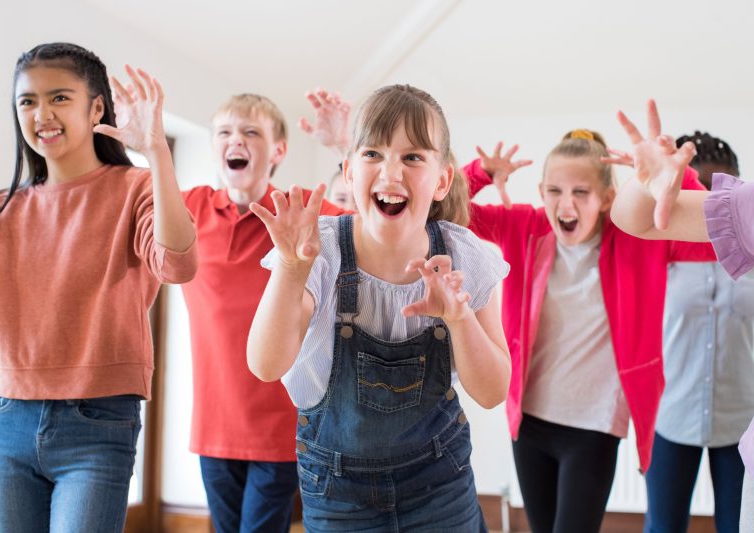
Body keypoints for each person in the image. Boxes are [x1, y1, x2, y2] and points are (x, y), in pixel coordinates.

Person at [0, 42, 197, 533]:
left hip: (99, 419)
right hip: (8, 421)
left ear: (97, 107)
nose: (41, 113)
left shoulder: (137, 188)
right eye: (27, 101)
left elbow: (177, 264)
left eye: (59, 97)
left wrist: (157, 155)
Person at [247, 84, 511, 532]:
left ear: (443, 179)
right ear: (349, 172)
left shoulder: (468, 257)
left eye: (412, 157)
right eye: (373, 154)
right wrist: (292, 267)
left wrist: (459, 316)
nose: (391, 172)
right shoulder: (321, 250)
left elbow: (492, 392)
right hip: (337, 492)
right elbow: (265, 365)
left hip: (440, 484)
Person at [464, 127, 716, 532]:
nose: (566, 205)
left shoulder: (641, 235)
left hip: (594, 426)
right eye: (554, 191)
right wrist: (478, 173)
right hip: (529, 420)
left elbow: (714, 239)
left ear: (607, 198)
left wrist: (677, 179)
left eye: (581, 192)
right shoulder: (524, 227)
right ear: (541, 190)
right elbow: (442, 209)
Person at [180, 92, 344, 533]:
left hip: (280, 423)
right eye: (225, 133)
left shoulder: (299, 209)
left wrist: (346, 147)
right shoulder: (190, 207)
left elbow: (372, 224)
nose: (238, 140)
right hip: (213, 422)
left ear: (278, 151)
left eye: (252, 132)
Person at [609, 99, 754, 532]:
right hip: (672, 416)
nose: (710, 204)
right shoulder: (663, 253)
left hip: (740, 416)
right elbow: (632, 220)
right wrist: (648, 181)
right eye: (700, 188)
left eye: (719, 190)